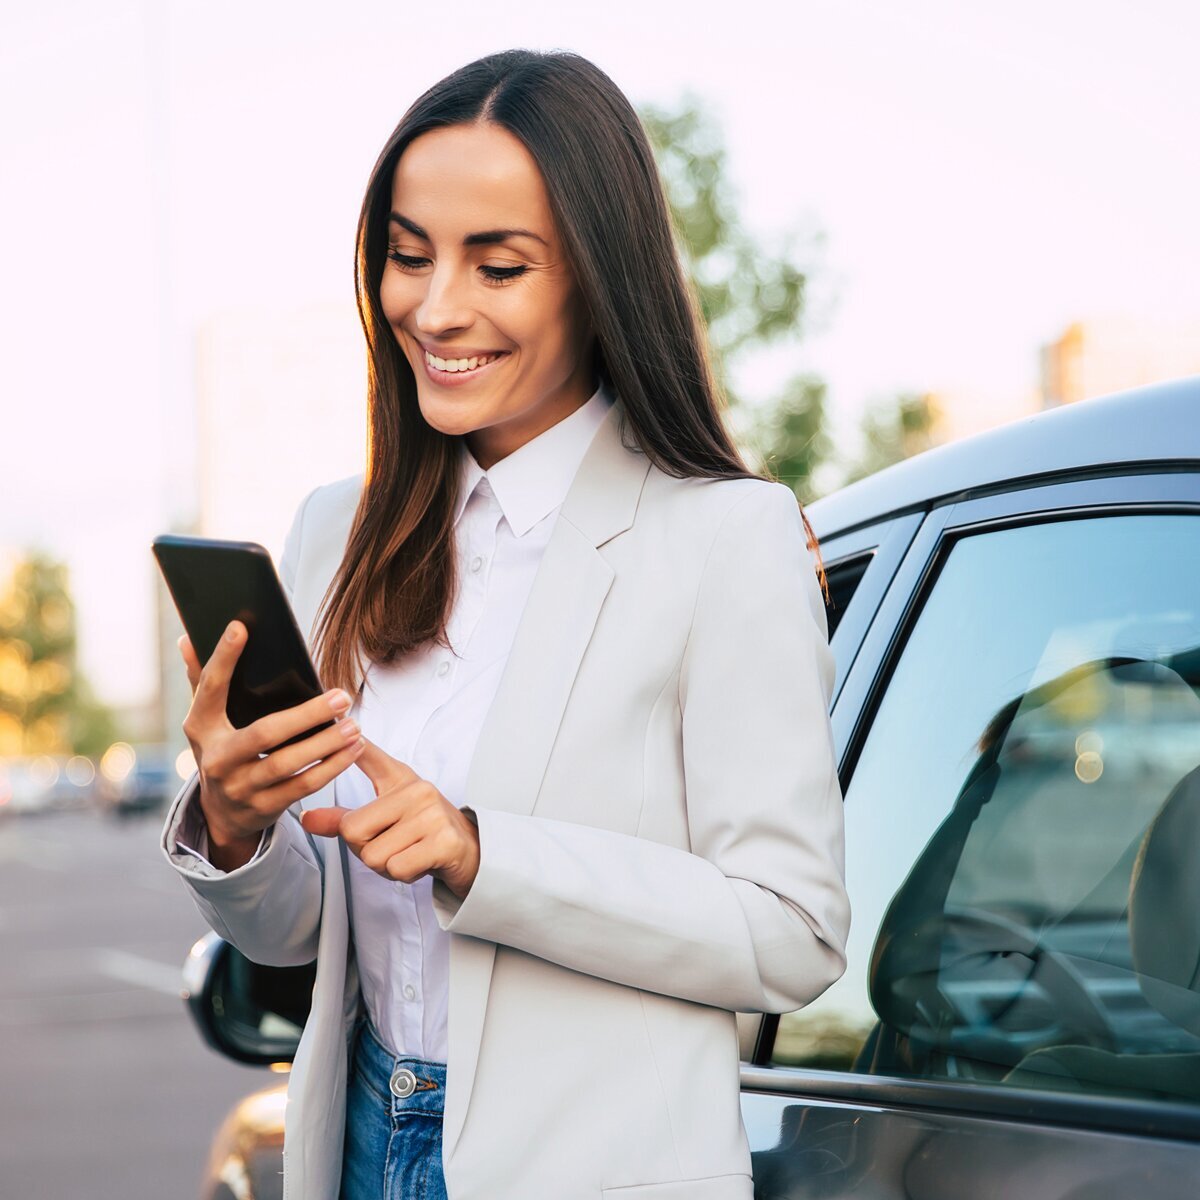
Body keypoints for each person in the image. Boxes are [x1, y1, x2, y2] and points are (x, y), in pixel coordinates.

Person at [161, 48, 850, 1200]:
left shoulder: (723, 537)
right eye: (408, 255)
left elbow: (792, 932)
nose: (437, 309)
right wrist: (236, 827)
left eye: (499, 265)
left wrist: (483, 851)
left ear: (597, 275)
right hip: (363, 1140)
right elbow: (297, 937)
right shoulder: (338, 531)